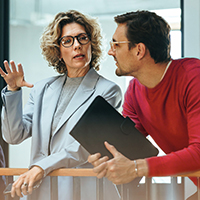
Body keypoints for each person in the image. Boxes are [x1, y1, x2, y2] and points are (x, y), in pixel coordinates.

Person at [0, 10, 122, 200]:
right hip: (42, 191)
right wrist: (13, 91)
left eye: (82, 38)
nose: (77, 46)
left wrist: (41, 167)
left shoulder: (108, 91)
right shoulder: (42, 89)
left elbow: (84, 145)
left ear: (92, 44)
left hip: (86, 191)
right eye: (67, 41)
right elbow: (13, 135)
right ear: (57, 51)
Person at [88, 10, 200, 199]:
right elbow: (129, 147)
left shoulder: (193, 77)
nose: (110, 51)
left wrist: (136, 168)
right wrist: (106, 159)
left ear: (139, 50)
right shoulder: (134, 92)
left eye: (116, 44)